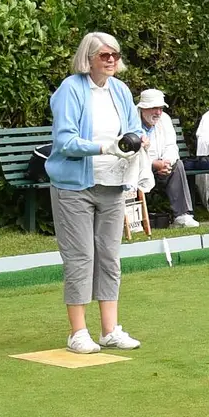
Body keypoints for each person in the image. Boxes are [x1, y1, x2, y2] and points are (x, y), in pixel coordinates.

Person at [45, 32, 147, 354]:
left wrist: (136, 140)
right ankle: (77, 333)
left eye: (115, 55)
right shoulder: (70, 89)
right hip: (74, 186)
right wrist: (105, 146)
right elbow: (65, 141)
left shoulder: (120, 90)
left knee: (109, 256)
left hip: (113, 186)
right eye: (104, 55)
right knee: (80, 258)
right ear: (88, 58)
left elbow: (135, 128)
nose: (111, 60)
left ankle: (109, 330)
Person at [134, 89, 199, 228]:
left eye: (160, 108)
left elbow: (171, 146)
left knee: (178, 165)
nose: (158, 112)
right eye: (154, 108)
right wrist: (153, 164)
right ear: (143, 108)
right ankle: (134, 219)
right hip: (137, 167)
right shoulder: (131, 120)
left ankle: (182, 216)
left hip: (161, 166)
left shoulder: (165, 119)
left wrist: (166, 162)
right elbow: (130, 154)